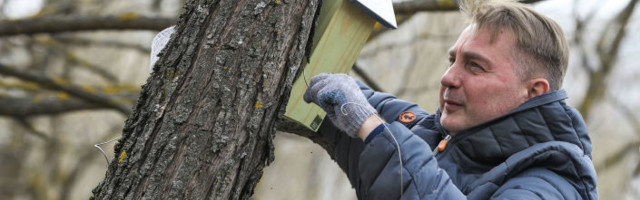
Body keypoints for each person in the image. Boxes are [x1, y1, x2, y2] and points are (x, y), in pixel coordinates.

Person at [302, 0, 598, 199]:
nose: (448, 78)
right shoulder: (437, 134)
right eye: (452, 60)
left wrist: (370, 126)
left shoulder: (551, 186)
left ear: (533, 92)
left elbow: (377, 130)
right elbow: (363, 108)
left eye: (474, 66)